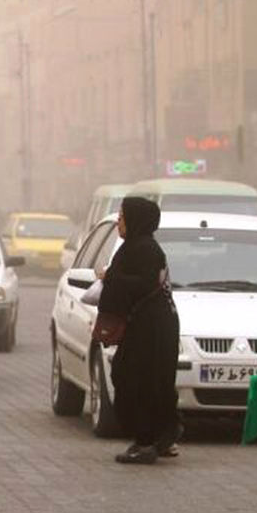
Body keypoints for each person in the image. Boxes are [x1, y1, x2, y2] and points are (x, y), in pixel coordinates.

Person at [95, 197, 180, 465]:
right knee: (149, 381)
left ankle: (145, 443)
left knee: (136, 381)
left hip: (150, 328)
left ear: (136, 220)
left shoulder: (143, 249)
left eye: (122, 218)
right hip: (148, 324)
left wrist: (110, 277)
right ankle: (161, 435)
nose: (119, 223)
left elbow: (143, 284)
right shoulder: (138, 246)